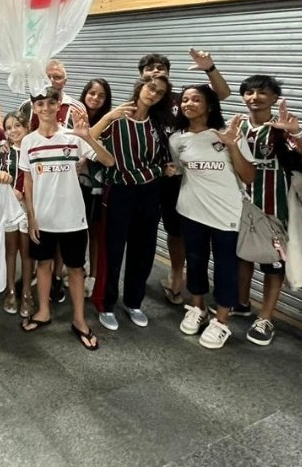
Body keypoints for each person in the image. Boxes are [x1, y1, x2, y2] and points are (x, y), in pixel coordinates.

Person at [19, 88, 116, 351]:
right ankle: (43, 312)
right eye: (40, 104)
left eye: (51, 103)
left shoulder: (74, 137)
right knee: (43, 265)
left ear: (59, 105)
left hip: (73, 218)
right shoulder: (28, 142)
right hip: (43, 218)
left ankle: (79, 319)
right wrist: (31, 215)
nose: (46, 108)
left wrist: (89, 139)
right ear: (34, 107)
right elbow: (27, 180)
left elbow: (108, 161)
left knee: (76, 269)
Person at [236, 76, 302, 345]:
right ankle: (241, 303)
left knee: (274, 264)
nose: (255, 97)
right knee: (242, 257)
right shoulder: (237, 128)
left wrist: (296, 132)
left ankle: (266, 318)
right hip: (241, 205)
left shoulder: (284, 128)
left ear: (274, 98)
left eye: (262, 92)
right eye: (249, 92)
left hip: (276, 208)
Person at [169, 85, 255, 349]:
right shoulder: (177, 139)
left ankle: (221, 321)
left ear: (209, 105)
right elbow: (182, 169)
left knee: (226, 267)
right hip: (190, 211)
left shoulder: (228, 134)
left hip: (226, 214)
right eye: (185, 100)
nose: (189, 103)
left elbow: (249, 176)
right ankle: (198, 307)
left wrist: (231, 145)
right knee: (195, 262)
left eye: (196, 99)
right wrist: (173, 171)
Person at [149, 50, 231, 305]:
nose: (155, 72)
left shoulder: (181, 99)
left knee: (177, 232)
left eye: (160, 67)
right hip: (150, 176)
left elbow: (222, 94)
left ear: (168, 72)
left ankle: (176, 277)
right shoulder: (145, 101)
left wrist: (210, 68)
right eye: (149, 69)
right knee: (149, 228)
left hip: (180, 176)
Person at [98, 74, 174, 331]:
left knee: (143, 250)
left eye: (160, 92)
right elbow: (86, 137)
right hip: (120, 191)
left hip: (150, 192)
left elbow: (162, 157)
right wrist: (108, 117)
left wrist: (167, 168)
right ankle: (106, 304)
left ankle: (133, 301)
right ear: (141, 86)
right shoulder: (118, 117)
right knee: (113, 250)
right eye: (151, 87)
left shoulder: (157, 123)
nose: (153, 94)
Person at [0, 111, 34, 317]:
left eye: (18, 126)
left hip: (29, 208)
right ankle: (10, 290)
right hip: (8, 209)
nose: (13, 131)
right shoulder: (4, 152)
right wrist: (9, 190)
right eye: (8, 128)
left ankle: (26, 292)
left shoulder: (35, 149)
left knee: (27, 252)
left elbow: (41, 179)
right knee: (10, 251)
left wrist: (24, 194)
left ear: (27, 127)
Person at [78, 78, 112, 295]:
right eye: (91, 93)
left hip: (99, 186)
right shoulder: (74, 118)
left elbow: (107, 155)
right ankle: (76, 270)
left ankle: (93, 276)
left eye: (101, 95)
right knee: (76, 231)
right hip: (73, 185)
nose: (95, 98)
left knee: (95, 232)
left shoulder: (109, 123)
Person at [17, 60, 85, 130]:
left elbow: (84, 137)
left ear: (65, 81)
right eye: (47, 77)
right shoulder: (27, 106)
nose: (51, 81)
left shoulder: (77, 109)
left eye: (57, 77)